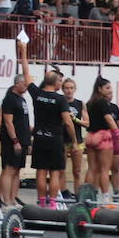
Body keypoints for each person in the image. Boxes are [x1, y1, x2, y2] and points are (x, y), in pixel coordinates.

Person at [18, 41, 75, 208]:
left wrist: (23, 50)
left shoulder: (37, 94)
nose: (61, 85)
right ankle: (52, 204)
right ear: (57, 83)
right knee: (55, 172)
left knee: (41, 172)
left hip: (40, 138)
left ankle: (42, 202)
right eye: (61, 82)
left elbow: (26, 73)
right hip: (55, 140)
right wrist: (75, 141)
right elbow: (68, 122)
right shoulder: (60, 99)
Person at [86, 77, 119, 205]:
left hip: (91, 136)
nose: (109, 90)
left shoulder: (90, 103)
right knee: (104, 170)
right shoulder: (103, 103)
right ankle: (106, 198)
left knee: (91, 169)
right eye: (107, 88)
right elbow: (109, 119)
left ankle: (88, 196)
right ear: (99, 89)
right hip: (103, 136)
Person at [0, 72, 32, 207]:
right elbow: (8, 122)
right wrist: (15, 141)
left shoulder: (22, 99)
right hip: (11, 142)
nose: (26, 87)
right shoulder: (9, 99)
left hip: (23, 140)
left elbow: (24, 122)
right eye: (24, 85)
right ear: (17, 84)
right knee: (9, 169)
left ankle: (13, 199)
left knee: (17, 170)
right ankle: (6, 201)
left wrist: (27, 142)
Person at [63, 77, 87, 202]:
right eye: (66, 88)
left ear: (75, 89)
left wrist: (75, 119)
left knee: (77, 171)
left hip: (77, 140)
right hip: (62, 140)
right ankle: (63, 194)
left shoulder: (80, 103)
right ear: (63, 89)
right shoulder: (60, 101)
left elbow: (87, 123)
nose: (69, 91)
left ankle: (79, 196)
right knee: (61, 169)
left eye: (71, 88)